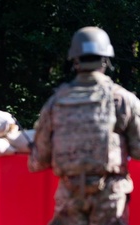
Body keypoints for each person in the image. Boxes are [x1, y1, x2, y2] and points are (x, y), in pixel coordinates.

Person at [28, 26, 140, 225]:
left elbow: (39, 160)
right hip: (110, 196)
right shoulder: (123, 100)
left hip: (70, 195)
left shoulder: (56, 102)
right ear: (106, 60)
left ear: (75, 60)